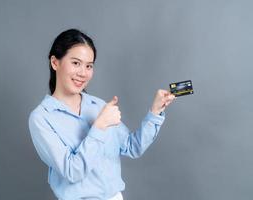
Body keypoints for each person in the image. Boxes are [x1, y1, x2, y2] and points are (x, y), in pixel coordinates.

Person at [28, 29, 175, 200]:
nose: (83, 73)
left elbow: (132, 146)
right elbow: (72, 171)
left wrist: (155, 111)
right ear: (55, 62)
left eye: (89, 66)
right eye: (76, 63)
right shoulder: (41, 118)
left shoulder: (98, 105)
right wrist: (99, 127)